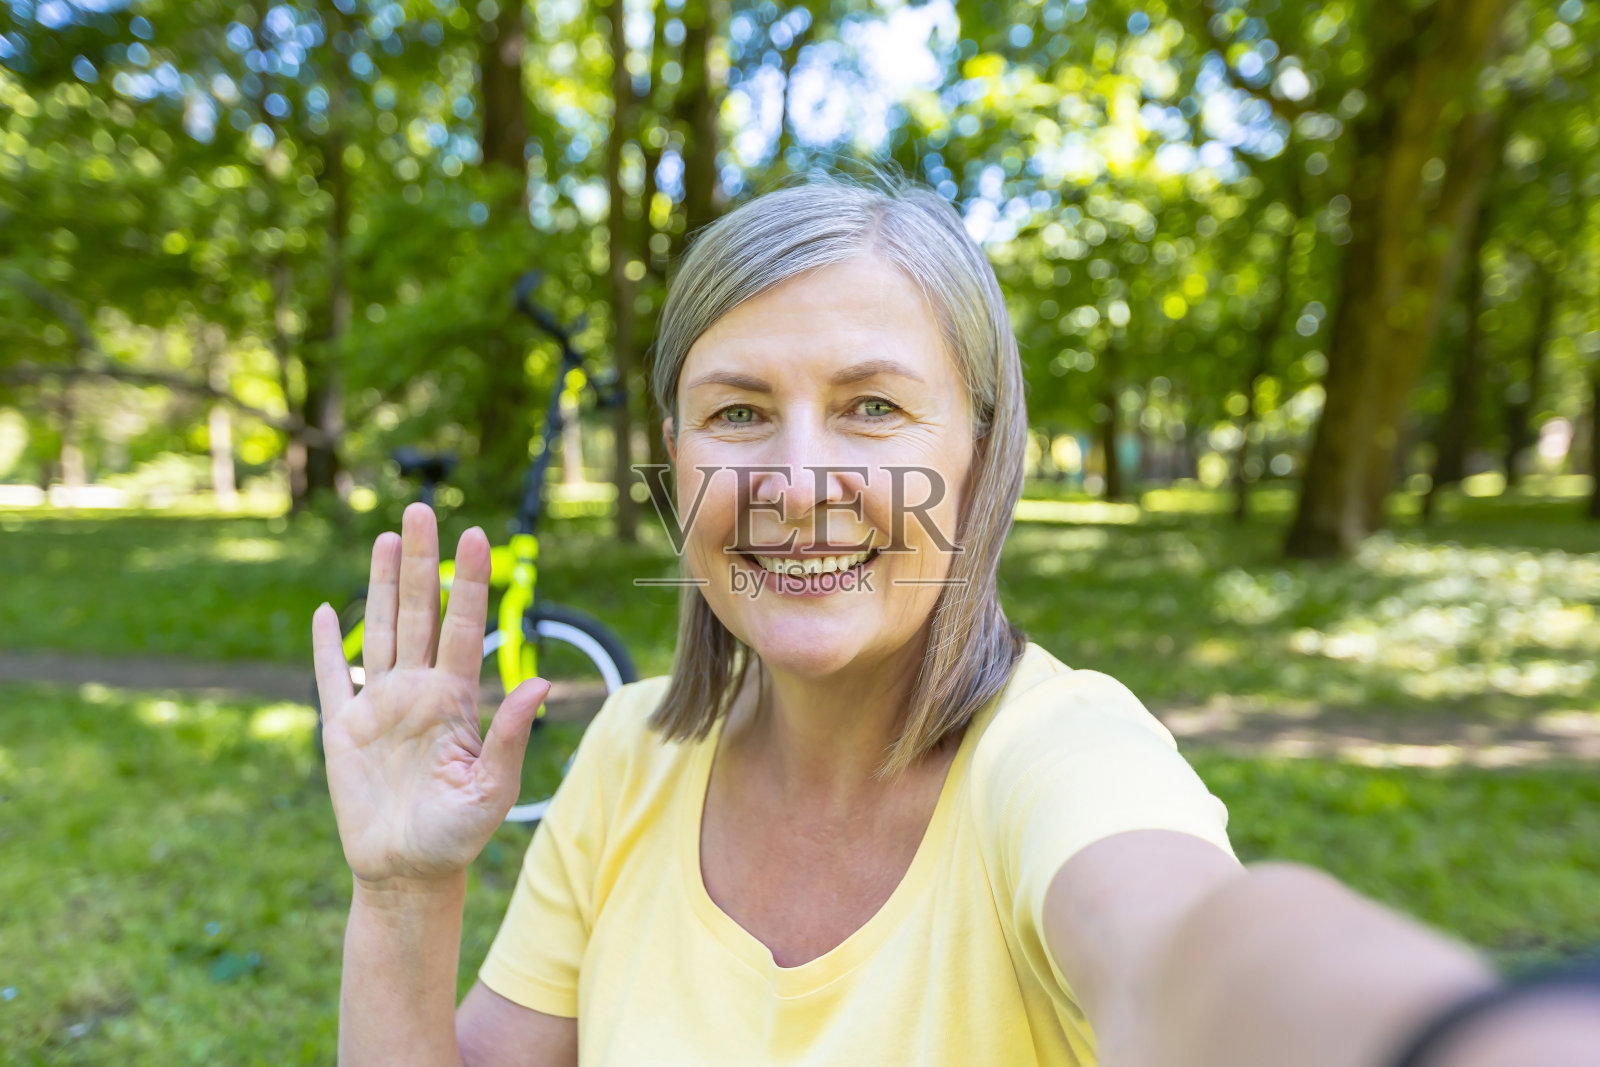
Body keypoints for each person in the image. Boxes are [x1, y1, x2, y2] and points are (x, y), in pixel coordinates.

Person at [310, 177, 1600, 1067]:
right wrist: (408, 891)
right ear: (672, 460)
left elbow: (1189, 947)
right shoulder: (631, 749)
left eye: (873, 407)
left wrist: (1448, 1036)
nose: (797, 483)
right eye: (739, 412)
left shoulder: (1065, 755)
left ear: (981, 459)